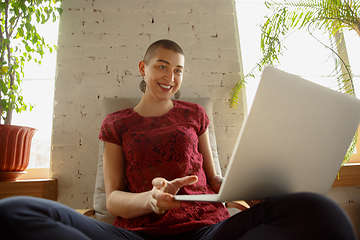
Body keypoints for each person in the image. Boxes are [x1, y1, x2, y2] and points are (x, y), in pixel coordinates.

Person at [0, 39, 357, 240]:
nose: (171, 76)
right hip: (138, 236)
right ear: (143, 68)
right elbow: (113, 199)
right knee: (16, 211)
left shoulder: (194, 116)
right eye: (162, 65)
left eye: (178, 69)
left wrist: (255, 188)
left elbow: (216, 181)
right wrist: (152, 200)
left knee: (320, 211)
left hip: (206, 231)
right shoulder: (116, 123)